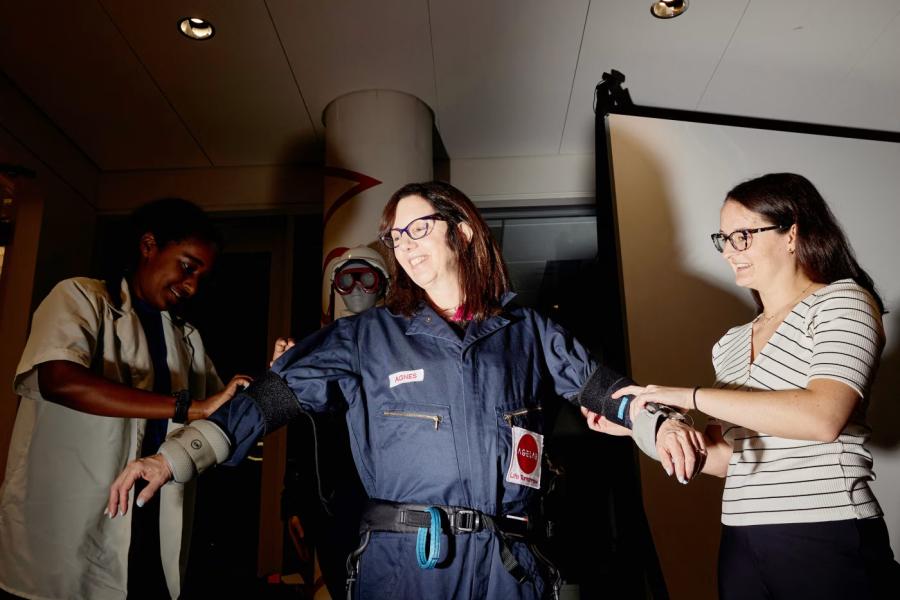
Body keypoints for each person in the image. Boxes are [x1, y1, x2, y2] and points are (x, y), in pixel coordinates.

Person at [107, 182, 698, 600]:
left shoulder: (528, 331)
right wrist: (173, 456)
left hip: (508, 567)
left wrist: (659, 424)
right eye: (395, 236)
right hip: (406, 564)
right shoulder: (365, 337)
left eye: (419, 227)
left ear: (462, 231)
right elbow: (266, 400)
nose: (406, 244)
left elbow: (605, 389)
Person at [603, 173, 900, 598]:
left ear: (791, 233)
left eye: (742, 236)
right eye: (722, 239)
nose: (728, 252)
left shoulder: (843, 301)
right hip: (742, 540)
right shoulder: (729, 344)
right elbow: (733, 459)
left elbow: (823, 417)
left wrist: (687, 396)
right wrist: (643, 425)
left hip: (826, 534)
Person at [0, 198, 250, 600]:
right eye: (187, 267)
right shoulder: (82, 298)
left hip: (148, 528)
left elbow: (221, 415)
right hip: (68, 528)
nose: (191, 287)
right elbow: (58, 379)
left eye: (202, 277)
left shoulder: (186, 338)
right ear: (149, 245)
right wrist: (187, 406)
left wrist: (270, 378)